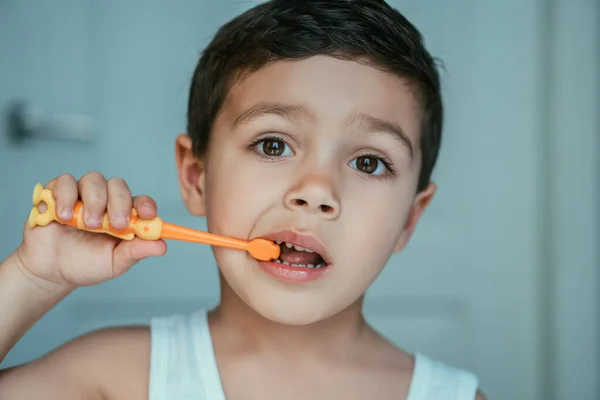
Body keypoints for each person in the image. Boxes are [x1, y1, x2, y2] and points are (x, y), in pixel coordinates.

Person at [0, 1, 487, 398]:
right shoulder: (112, 377)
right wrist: (32, 278)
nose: (316, 191)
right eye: (273, 145)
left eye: (368, 163)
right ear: (196, 177)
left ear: (410, 218)